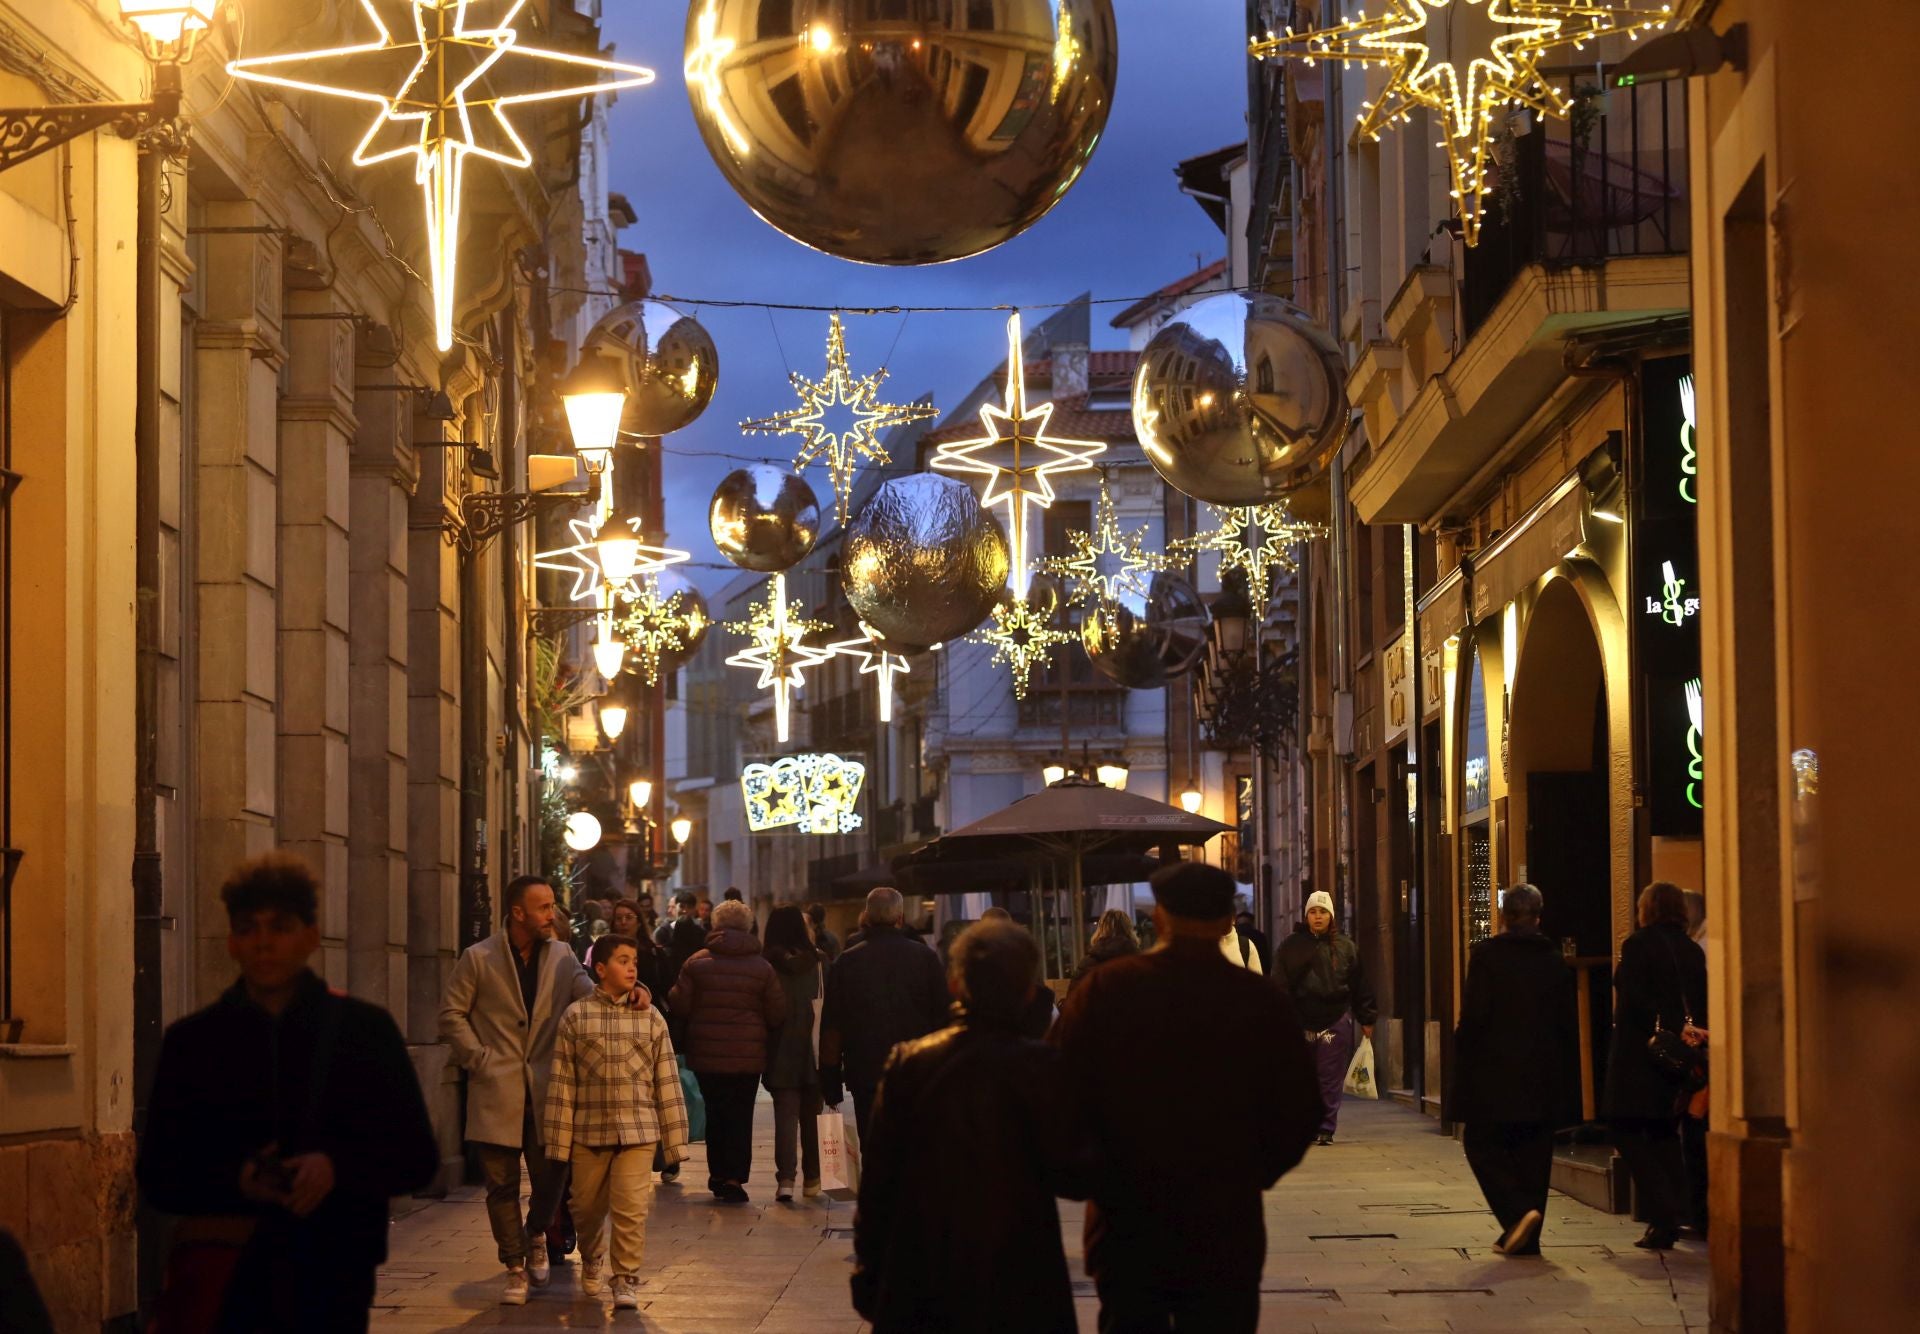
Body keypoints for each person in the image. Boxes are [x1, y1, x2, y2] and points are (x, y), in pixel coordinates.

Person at [138, 854, 438, 1332]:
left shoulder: (363, 1032)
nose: (264, 943)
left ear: (309, 937)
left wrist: (335, 1168)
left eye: (279, 927)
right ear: (233, 942)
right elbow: (158, 1173)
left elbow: (416, 1157)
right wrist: (239, 1178)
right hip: (225, 1279)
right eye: (249, 929)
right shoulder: (194, 1042)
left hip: (330, 1276)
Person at [1053, 863, 1322, 1332]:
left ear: (1158, 919)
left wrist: (1094, 1176)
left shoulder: (1107, 991)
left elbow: (1056, 1092)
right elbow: (1300, 1109)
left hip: (1129, 1219)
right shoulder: (1259, 1003)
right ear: (1226, 925)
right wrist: (1250, 1172)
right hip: (1225, 1220)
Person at [853, 922, 1089, 1332]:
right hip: (1022, 1268)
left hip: (926, 1264)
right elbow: (1074, 1173)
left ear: (956, 983)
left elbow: (879, 1182)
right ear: (1028, 991)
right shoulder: (1043, 1067)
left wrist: (869, 1268)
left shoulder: (912, 1063)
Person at [438, 874, 598, 1304]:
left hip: (548, 1088)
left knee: (553, 1175)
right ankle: (513, 1265)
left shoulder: (563, 955)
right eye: (544, 907)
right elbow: (451, 1014)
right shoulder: (478, 958)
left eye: (552, 906)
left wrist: (630, 992)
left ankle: (534, 1235)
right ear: (518, 912)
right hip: (497, 1087)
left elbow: (590, 999)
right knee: (501, 1184)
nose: (553, 914)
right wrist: (479, 1058)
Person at [543, 934, 689, 1309]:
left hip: (638, 1130)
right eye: (623, 961)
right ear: (601, 969)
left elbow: (667, 1080)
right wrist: (558, 1143)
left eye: (634, 961)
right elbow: (562, 1084)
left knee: (630, 1207)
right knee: (585, 1207)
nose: (632, 967)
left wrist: (674, 1142)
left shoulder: (651, 1016)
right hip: (588, 1132)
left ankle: (624, 1277)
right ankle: (591, 1254)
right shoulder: (576, 1017)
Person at [1449, 884, 1581, 1257]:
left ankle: (1518, 1214)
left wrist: (1463, 1056)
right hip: (1541, 1075)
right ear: (1539, 917)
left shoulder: (1488, 957)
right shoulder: (1553, 960)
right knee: (1534, 1152)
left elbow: (1474, 1018)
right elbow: (1565, 1024)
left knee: (1481, 1144)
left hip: (1494, 1074)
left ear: (1504, 916)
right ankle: (1528, 1238)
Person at [1603, 881, 1708, 1251]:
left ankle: (1664, 1213)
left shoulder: (1638, 945)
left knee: (1624, 1128)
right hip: (1679, 1056)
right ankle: (1673, 1214)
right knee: (1664, 1133)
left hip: (1640, 1055)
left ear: (1645, 909)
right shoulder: (1692, 950)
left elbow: (1630, 998)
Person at [668, 899, 787, 1202]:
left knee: (715, 1111)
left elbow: (679, 1004)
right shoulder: (763, 968)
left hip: (706, 1053)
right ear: (748, 927)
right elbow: (776, 1013)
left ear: (715, 926)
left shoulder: (696, 963)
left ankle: (718, 1172)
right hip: (748, 1056)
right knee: (740, 1113)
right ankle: (735, 1177)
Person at [819, 887, 950, 1139]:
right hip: (917, 1071)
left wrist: (830, 1083)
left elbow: (832, 1027)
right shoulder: (926, 958)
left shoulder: (847, 962)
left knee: (873, 1142)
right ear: (900, 917)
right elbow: (943, 1019)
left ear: (866, 916)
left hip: (865, 1070)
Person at [1275, 889, 1378, 1144]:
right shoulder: (1290, 946)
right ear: (1306, 915)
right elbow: (1279, 984)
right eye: (1313, 912)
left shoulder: (1346, 947)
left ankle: (1325, 1127)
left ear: (1331, 916)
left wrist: (1367, 1017)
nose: (1318, 917)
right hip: (1300, 1020)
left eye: (1322, 912)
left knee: (1329, 1077)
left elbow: (1359, 983)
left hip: (1334, 1018)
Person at [762, 904, 825, 1202]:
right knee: (812, 1116)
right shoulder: (820, 962)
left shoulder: (766, 966)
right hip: (814, 1048)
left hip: (779, 1047)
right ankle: (813, 1178)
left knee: (785, 1118)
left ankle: (785, 1179)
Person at [1068, 909, 1140, 992]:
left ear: (1100, 930)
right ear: (1129, 930)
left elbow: (1073, 998)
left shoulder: (1087, 964)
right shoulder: (1139, 965)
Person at [1232, 911, 1272, 976]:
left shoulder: (1232, 936)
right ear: (1252, 922)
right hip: (1256, 976)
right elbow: (1265, 960)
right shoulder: (1260, 936)